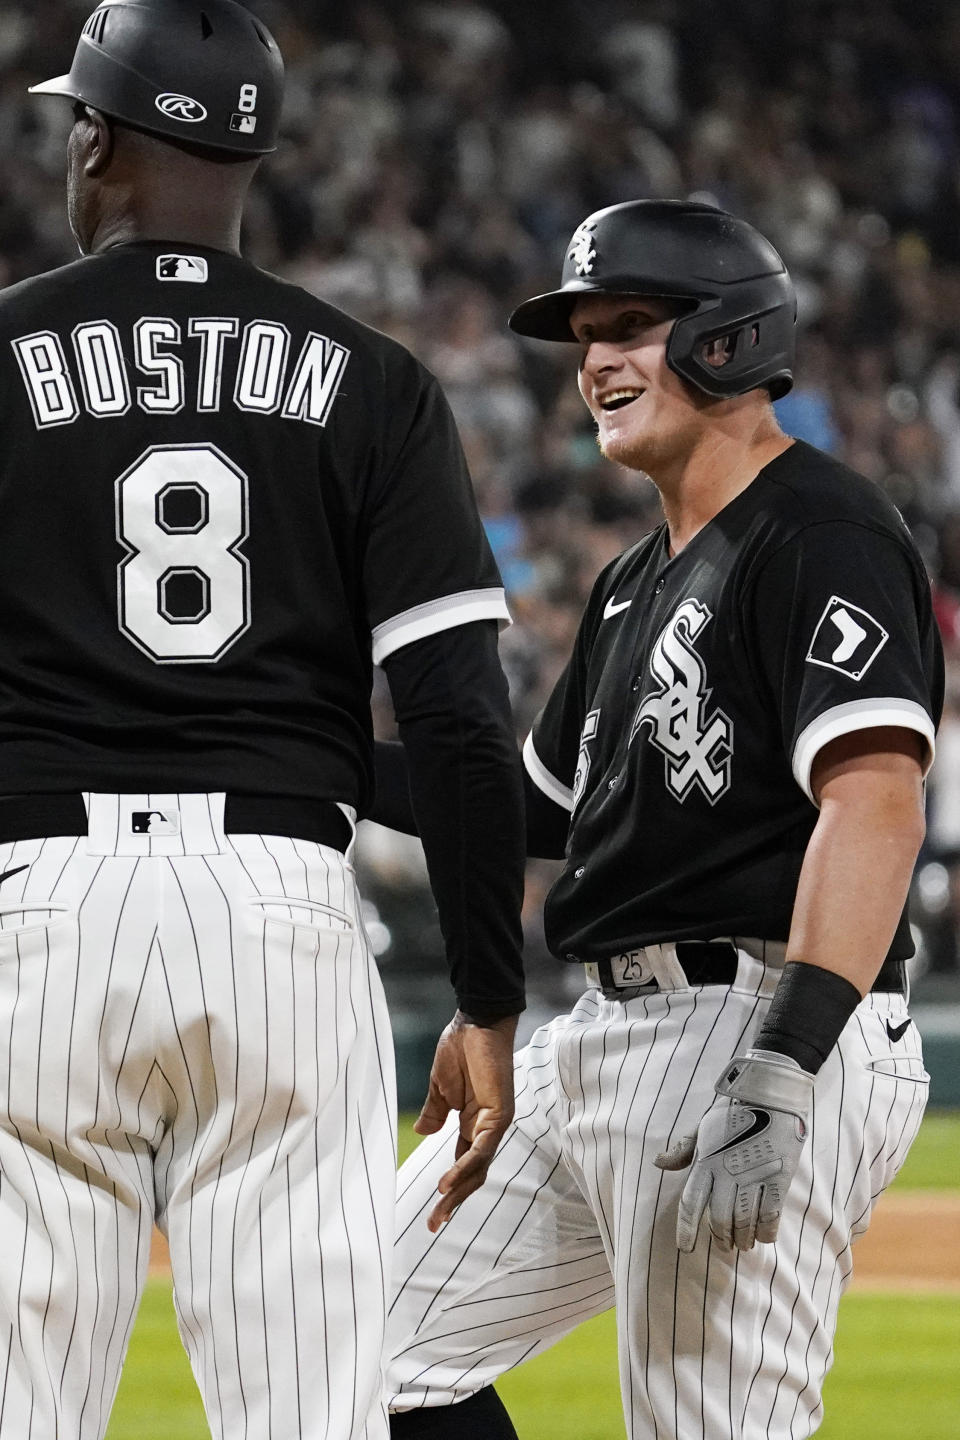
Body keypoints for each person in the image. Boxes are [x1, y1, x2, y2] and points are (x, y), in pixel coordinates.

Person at [7, 3, 525, 1437]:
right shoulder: (375, 381)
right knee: (309, 1412)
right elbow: (461, 724)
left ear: (99, 136)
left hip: (38, 900)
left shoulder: (2, 355)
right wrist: (487, 996)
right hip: (284, 908)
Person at [376, 200, 943, 1440]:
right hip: (601, 1032)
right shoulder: (640, 577)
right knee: (351, 1341)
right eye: (585, 334)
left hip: (753, 1015)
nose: (595, 361)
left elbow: (876, 803)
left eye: (631, 323)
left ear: (732, 341)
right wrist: (308, 756)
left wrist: (786, 1063)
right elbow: (530, 807)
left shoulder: (823, 532)